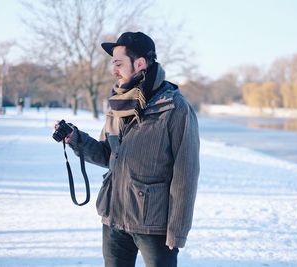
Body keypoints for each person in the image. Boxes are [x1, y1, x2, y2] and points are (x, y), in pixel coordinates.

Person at [55, 32, 200, 267]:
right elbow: (107, 154)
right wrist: (75, 138)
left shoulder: (175, 107)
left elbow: (186, 174)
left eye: (118, 63)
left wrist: (177, 230)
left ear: (140, 63)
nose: (114, 70)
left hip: (155, 226)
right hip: (114, 217)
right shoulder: (118, 104)